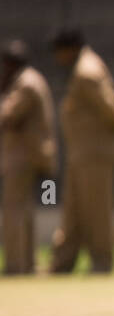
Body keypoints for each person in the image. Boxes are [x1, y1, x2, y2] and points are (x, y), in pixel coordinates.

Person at [47, 28, 114, 274]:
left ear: (70, 48)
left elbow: (108, 104)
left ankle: (102, 262)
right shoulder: (83, 68)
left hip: (94, 154)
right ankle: (63, 263)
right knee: (75, 212)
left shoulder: (87, 71)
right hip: (82, 153)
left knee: (97, 211)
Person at [0, 40, 58, 275]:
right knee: (24, 210)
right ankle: (27, 263)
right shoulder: (33, 79)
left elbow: (6, 115)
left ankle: (16, 264)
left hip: (23, 156)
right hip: (33, 154)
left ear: (10, 64)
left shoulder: (25, 83)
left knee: (14, 208)